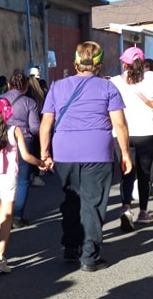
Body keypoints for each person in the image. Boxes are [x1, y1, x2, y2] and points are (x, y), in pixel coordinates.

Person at [38, 40, 132, 272]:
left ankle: (70, 246)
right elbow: (119, 124)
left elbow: (46, 124)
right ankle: (89, 256)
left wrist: (44, 153)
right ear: (99, 65)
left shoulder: (57, 86)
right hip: (97, 151)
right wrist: (126, 154)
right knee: (93, 203)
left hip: (64, 151)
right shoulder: (108, 87)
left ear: (76, 62)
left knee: (71, 199)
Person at [0, 96, 45, 272]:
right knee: (7, 217)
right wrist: (41, 163)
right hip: (8, 178)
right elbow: (26, 156)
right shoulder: (15, 130)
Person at [109, 47, 153, 228]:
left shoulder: (113, 82)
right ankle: (143, 211)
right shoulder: (152, 78)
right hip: (148, 132)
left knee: (126, 173)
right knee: (144, 174)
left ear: (124, 63)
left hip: (121, 134)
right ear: (142, 63)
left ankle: (126, 208)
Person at [0, 71, 41, 229]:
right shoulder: (30, 102)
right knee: (22, 179)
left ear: (8, 85)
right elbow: (35, 128)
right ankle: (16, 216)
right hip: (23, 139)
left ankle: (2, 212)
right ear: (26, 87)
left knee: (0, 174)